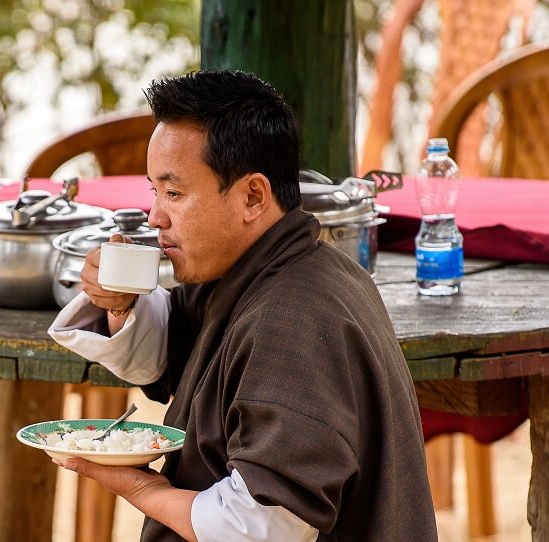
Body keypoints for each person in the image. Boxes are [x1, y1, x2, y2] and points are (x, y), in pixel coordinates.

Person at [48, 70, 437, 541]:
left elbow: (263, 526)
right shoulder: (261, 269)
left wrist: (138, 487)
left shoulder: (294, 318)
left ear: (253, 196)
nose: (155, 216)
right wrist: (121, 303)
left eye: (174, 193)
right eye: (154, 191)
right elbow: (175, 354)